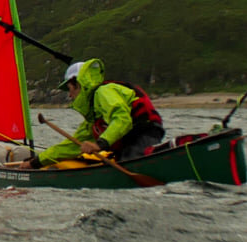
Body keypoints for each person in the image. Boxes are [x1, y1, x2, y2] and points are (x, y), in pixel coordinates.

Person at [30, 59, 165, 167]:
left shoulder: (103, 92)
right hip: (131, 140)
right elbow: (72, 146)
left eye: (70, 89)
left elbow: (122, 120)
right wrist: (35, 162)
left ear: (78, 84)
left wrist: (99, 144)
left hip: (145, 131)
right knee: (120, 160)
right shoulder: (93, 118)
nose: (70, 95)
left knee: (130, 162)